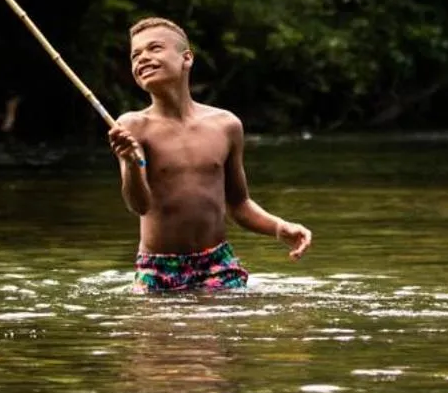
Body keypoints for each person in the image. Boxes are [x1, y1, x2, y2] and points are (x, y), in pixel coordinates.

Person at [107, 16, 312, 293]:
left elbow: (238, 204)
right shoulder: (132, 127)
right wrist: (132, 163)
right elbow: (139, 206)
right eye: (135, 55)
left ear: (187, 58)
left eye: (154, 48)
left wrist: (280, 227)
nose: (142, 58)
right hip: (158, 268)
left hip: (218, 263)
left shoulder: (226, 125)